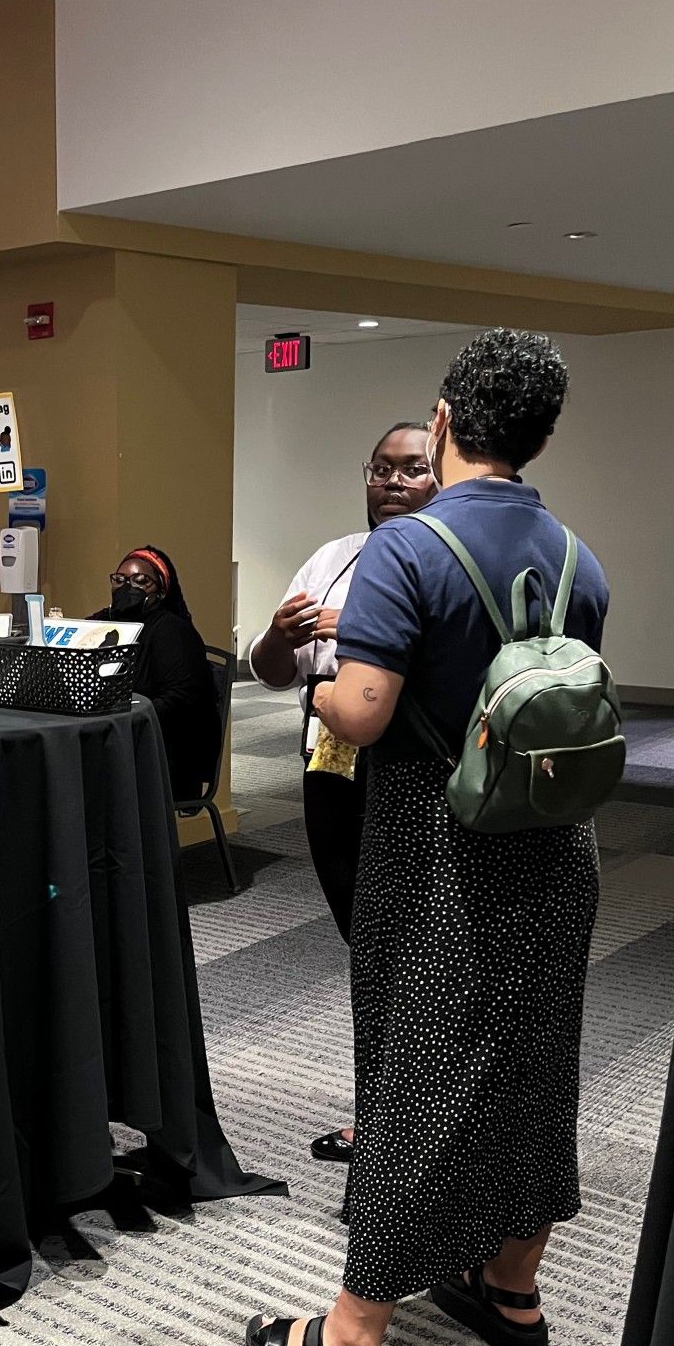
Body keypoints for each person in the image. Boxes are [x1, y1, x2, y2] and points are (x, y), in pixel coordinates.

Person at [245, 330, 609, 1346]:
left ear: (446, 420)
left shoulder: (410, 550)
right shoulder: (578, 554)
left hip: (437, 839)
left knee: (415, 1073)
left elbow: (360, 711)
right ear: (541, 433)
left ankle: (351, 1343)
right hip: (556, 838)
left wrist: (316, 691)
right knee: (532, 1064)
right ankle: (510, 1289)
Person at [249, 424, 435, 1164]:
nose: (391, 483)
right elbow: (272, 670)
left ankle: (399, 1120)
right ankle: (388, 1107)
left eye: (412, 470)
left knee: (406, 949)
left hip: (407, 766)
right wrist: (275, 632)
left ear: (441, 477)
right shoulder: (333, 558)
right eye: (380, 469)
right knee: (365, 940)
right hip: (329, 762)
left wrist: (361, 630)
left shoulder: (440, 564)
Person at [95, 547, 218, 799]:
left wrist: (126, 718)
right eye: (119, 580)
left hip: (164, 749)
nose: (127, 587)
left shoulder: (173, 631)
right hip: (114, 736)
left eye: (141, 581)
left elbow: (182, 700)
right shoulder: (102, 622)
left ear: (161, 591)